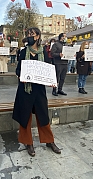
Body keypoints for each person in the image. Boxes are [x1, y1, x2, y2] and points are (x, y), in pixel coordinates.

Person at [13, 27, 61, 157]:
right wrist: (20, 76)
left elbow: (49, 69)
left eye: (32, 34)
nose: (30, 36)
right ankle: (28, 142)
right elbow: (18, 69)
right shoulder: (23, 52)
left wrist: (52, 81)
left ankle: (49, 141)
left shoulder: (44, 52)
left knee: (43, 115)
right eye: (28, 34)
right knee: (25, 116)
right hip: (25, 89)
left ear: (38, 36)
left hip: (39, 90)